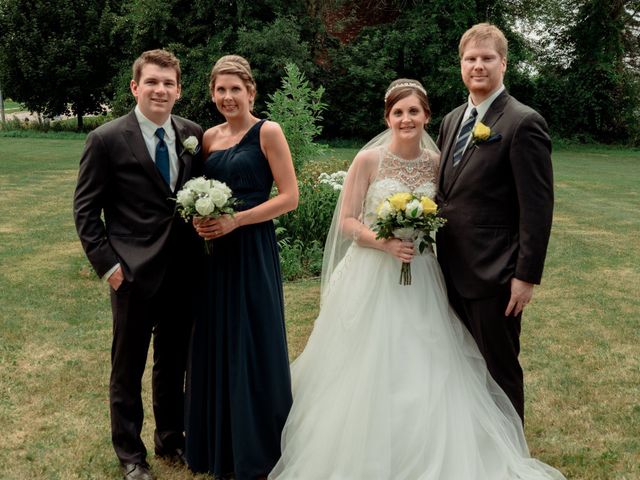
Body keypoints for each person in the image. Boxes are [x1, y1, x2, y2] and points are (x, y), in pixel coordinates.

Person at [268, 79, 565, 479]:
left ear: (427, 116)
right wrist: (384, 242)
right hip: (372, 274)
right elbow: (348, 222)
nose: (406, 119)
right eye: (398, 112)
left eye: (414, 111)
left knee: (431, 357)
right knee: (365, 363)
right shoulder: (368, 161)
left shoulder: (436, 161)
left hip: (423, 274)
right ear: (387, 117)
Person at [73, 49, 203, 480]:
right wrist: (109, 267)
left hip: (182, 271)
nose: (160, 90)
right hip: (130, 274)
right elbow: (86, 211)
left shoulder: (191, 135)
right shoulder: (106, 139)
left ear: (179, 90)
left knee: (173, 363)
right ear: (135, 86)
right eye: (151, 82)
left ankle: (171, 439)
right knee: (127, 367)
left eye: (168, 83)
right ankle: (131, 455)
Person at [184, 55, 298, 479]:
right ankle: (213, 442)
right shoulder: (207, 137)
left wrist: (237, 220)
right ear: (212, 94)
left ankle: (258, 447)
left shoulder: (268, 131)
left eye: (236, 89)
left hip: (252, 250)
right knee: (214, 339)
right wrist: (199, 216)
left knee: (253, 336)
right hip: (214, 257)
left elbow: (290, 196)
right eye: (221, 90)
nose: (228, 97)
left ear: (251, 92)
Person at [436, 23, 554, 421]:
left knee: (499, 372)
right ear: (461, 65)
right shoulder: (452, 120)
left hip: (495, 273)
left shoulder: (524, 122)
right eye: (471, 59)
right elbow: (447, 192)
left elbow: (537, 208)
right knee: (461, 367)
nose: (478, 66)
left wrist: (526, 276)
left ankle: (511, 456)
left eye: (487, 58)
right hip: (448, 269)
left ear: (504, 63)